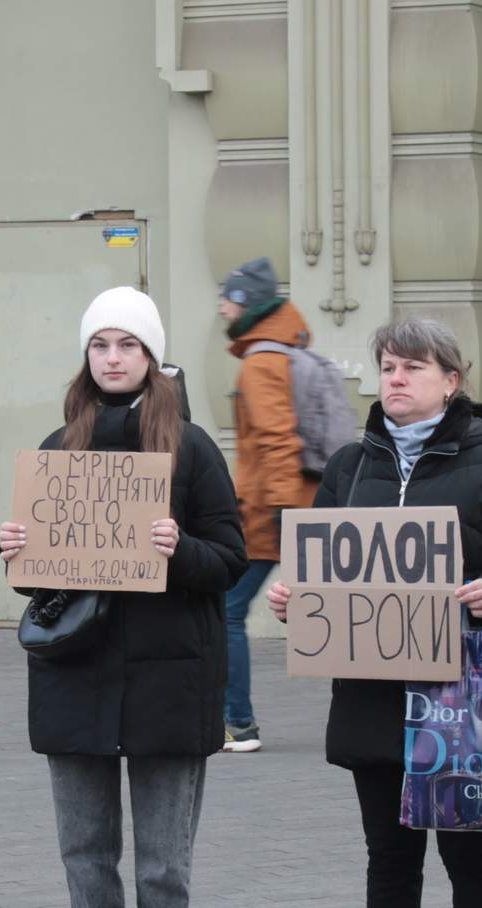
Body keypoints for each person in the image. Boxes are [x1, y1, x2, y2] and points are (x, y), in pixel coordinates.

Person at [266, 317, 482, 908]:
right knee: (388, 859)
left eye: (414, 367)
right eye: (388, 366)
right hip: (374, 694)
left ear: (452, 380)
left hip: (460, 691)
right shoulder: (352, 465)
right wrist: (298, 597)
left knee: (469, 855)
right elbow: (323, 564)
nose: (395, 379)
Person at [0, 286, 246, 908]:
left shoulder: (192, 449)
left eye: (127, 345)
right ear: (86, 357)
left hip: (168, 676)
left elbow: (230, 558)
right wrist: (18, 554)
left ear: (151, 356)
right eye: (100, 345)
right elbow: (48, 586)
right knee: (85, 854)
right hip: (76, 675)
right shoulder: (57, 447)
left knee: (164, 862)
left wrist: (179, 550)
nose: (112, 358)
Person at [216, 256, 318, 754]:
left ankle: (237, 722)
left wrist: (281, 513)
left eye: (229, 300)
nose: (221, 309)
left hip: (269, 512)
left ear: (250, 305)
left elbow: (278, 441)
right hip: (283, 507)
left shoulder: (261, 362)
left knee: (225, 609)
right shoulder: (280, 352)